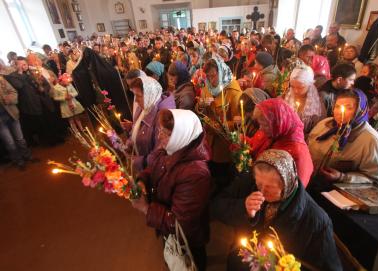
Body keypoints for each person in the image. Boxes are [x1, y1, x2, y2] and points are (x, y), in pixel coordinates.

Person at [212, 149, 342, 271]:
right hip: (241, 263)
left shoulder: (316, 221)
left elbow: (329, 268)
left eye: (269, 187)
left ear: (287, 184)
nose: (261, 192)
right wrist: (242, 208)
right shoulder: (250, 183)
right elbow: (216, 206)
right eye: (259, 184)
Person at [131, 109, 211, 271]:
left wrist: (146, 208)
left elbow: (180, 223)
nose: (159, 136)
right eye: (160, 130)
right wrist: (142, 180)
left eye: (166, 133)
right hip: (167, 225)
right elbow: (153, 168)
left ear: (182, 135)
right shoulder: (171, 148)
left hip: (188, 238)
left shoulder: (196, 174)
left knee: (191, 262)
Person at [308, 89, 378, 185]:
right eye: (337, 106)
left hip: (334, 193)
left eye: (348, 108)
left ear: (360, 111)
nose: (340, 112)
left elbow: (376, 179)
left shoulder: (371, 141)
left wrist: (342, 177)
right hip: (309, 184)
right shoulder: (324, 124)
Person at [248, 98, 313, 187]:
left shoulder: (298, 153)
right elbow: (253, 144)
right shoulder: (273, 133)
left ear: (279, 122)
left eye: (265, 125)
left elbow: (295, 191)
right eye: (260, 124)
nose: (260, 129)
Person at [201, 56, 242, 189]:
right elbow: (201, 110)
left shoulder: (233, 92)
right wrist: (201, 105)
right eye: (208, 76)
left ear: (221, 72)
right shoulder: (207, 86)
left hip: (223, 146)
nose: (211, 80)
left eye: (213, 76)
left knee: (222, 178)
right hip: (209, 141)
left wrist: (218, 126)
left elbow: (239, 122)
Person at [126, 74, 175, 171]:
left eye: (138, 96)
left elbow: (160, 153)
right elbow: (139, 127)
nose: (135, 100)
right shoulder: (145, 106)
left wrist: (139, 161)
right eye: (134, 95)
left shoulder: (162, 118)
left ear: (150, 95)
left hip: (150, 170)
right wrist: (130, 140)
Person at [0, 74, 31, 169]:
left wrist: (8, 99)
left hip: (12, 114)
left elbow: (13, 92)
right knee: (10, 143)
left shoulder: (1, 80)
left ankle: (27, 156)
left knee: (20, 139)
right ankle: (18, 161)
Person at [284, 66, 325, 135]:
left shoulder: (317, 106)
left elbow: (318, 130)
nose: (295, 91)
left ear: (309, 85)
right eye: (292, 86)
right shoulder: (286, 97)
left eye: (300, 87)